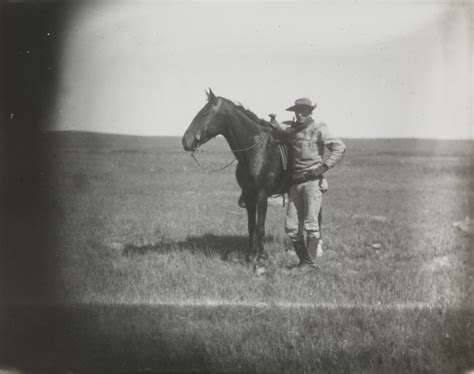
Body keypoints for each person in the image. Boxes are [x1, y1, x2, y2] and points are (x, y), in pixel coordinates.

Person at [278, 98, 346, 270]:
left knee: (311, 225)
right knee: (291, 227)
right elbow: (280, 130)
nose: (299, 114)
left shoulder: (318, 129)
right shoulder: (292, 132)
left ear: (310, 112)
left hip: (312, 183)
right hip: (295, 184)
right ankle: (305, 262)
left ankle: (308, 264)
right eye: (297, 111)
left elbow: (339, 147)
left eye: (303, 110)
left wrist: (324, 167)